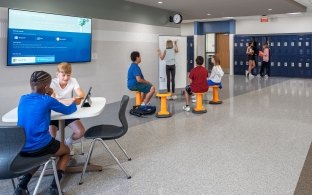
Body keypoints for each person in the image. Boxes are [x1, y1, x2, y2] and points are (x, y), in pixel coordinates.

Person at [16, 71, 80, 195]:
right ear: (46, 87)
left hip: (22, 147)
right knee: (66, 151)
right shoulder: (47, 100)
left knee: (37, 158)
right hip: (41, 145)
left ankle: (22, 186)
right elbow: (68, 110)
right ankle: (54, 187)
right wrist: (74, 103)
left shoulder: (23, 98)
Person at [49, 62, 85, 155]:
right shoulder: (52, 83)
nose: (66, 78)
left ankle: (68, 142)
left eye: (68, 75)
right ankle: (58, 151)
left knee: (80, 132)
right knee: (51, 137)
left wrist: (78, 98)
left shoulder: (73, 80)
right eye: (63, 75)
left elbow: (81, 94)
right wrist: (69, 100)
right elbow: (54, 99)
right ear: (57, 74)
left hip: (68, 111)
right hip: (54, 113)